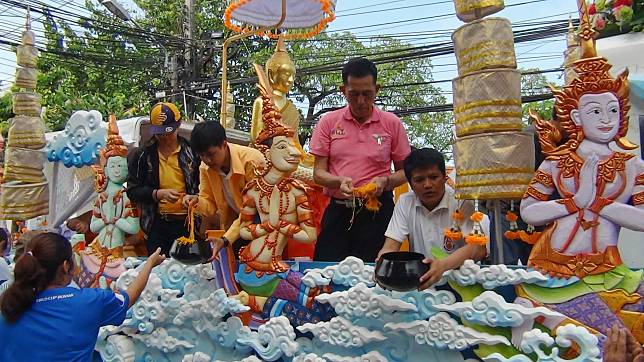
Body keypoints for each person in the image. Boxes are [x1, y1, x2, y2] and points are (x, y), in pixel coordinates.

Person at [0, 232, 165, 361]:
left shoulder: (10, 304)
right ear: (66, 266)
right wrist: (149, 264)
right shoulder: (88, 302)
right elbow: (128, 297)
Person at [309, 57, 411, 262]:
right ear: (342, 90)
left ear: (377, 89)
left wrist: (385, 181)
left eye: (367, 94)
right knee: (326, 270)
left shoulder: (392, 123)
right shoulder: (328, 122)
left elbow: (406, 171)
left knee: (376, 271)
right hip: (339, 209)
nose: (361, 101)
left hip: (378, 211)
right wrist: (338, 181)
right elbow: (318, 174)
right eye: (353, 94)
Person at [377, 148, 489, 290]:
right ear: (410, 184)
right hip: (420, 283)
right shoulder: (405, 202)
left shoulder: (461, 201)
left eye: (434, 177)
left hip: (460, 283)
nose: (428, 185)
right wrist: (382, 262)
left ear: (444, 177)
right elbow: (390, 246)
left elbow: (478, 249)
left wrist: (442, 266)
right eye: (419, 180)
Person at [182, 121, 265, 260]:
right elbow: (209, 205)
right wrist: (196, 201)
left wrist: (226, 239)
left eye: (211, 154)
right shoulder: (205, 167)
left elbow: (252, 210)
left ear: (224, 144)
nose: (207, 160)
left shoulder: (252, 161)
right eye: (202, 155)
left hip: (262, 223)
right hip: (237, 226)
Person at [127, 102, 200, 255]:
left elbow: (204, 187)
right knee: (157, 270)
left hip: (187, 223)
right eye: (160, 134)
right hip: (156, 224)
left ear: (178, 125)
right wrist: (157, 194)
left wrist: (194, 198)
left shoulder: (193, 153)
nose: (164, 138)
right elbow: (133, 191)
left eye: (168, 132)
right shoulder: (142, 155)